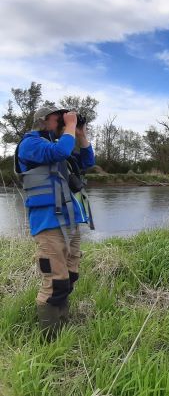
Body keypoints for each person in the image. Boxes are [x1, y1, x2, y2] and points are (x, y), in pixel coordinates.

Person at [16, 106, 95, 339]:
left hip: (69, 220)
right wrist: (69, 126)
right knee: (55, 282)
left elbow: (88, 160)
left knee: (70, 277)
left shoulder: (60, 145)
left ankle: (62, 326)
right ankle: (50, 340)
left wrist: (80, 133)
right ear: (43, 120)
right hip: (48, 223)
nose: (62, 121)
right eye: (58, 118)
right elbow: (59, 152)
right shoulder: (31, 143)